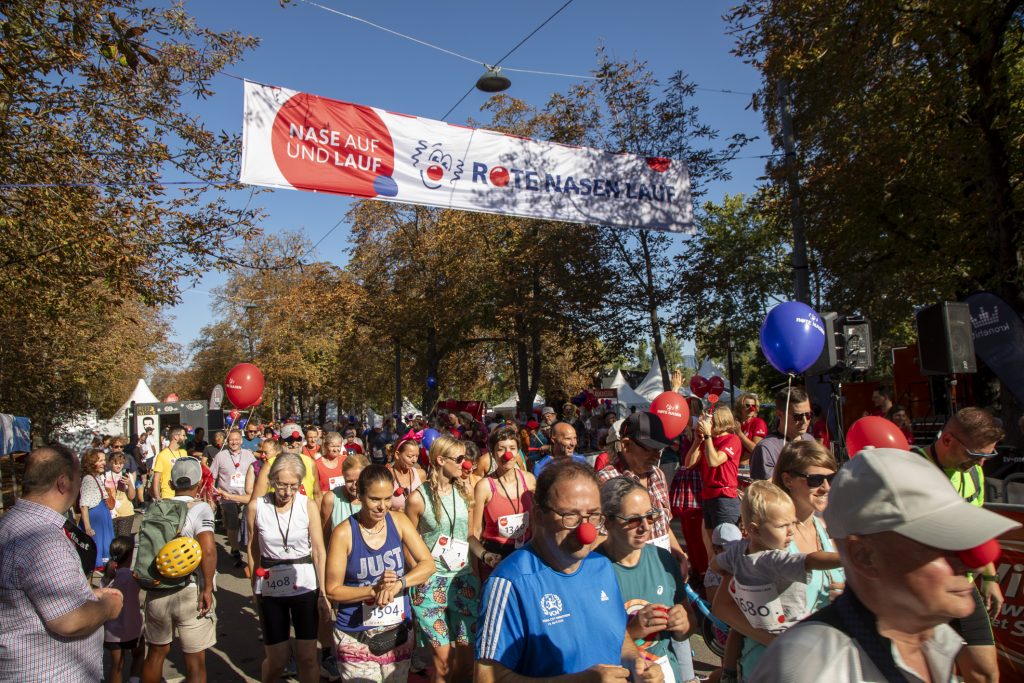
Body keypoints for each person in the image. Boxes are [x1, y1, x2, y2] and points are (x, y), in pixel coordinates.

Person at [748, 448, 1021, 682]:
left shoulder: (937, 641)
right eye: (938, 543)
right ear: (865, 557)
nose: (970, 559)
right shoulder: (810, 667)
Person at [475, 459, 663, 683]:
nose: (586, 530)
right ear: (538, 515)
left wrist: (636, 662)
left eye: (593, 515)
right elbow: (486, 678)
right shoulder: (510, 583)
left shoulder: (601, 566)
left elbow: (616, 634)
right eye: (570, 516)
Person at [0, 445, 124, 680]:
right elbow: (70, 620)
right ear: (63, 483)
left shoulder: (13, 522)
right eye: (77, 478)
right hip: (52, 674)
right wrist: (108, 606)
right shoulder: (43, 537)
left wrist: (91, 596)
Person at [712, 481, 842, 678]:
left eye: (792, 523)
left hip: (755, 640)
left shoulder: (738, 552)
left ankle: (729, 673)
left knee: (737, 632)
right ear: (754, 530)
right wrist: (846, 558)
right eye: (783, 526)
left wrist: (731, 575)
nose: (791, 531)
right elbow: (811, 560)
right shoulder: (774, 559)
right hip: (793, 637)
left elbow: (715, 565)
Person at [915, 407, 1005, 683]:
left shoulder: (974, 475)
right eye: (975, 455)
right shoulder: (910, 468)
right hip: (916, 589)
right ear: (947, 440)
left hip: (960, 585)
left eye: (987, 456)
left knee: (986, 673)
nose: (979, 465)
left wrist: (990, 576)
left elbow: (973, 530)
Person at [325, 464, 437, 683]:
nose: (382, 506)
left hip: (397, 634)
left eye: (387, 499)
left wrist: (398, 584)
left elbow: (427, 565)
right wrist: (373, 590)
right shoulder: (344, 533)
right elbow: (332, 590)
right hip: (356, 636)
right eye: (375, 499)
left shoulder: (399, 521)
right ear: (361, 494)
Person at [599, 477, 699, 683]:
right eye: (633, 520)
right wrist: (633, 631)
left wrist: (684, 624)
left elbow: (688, 624)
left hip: (667, 673)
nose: (645, 527)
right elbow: (586, 646)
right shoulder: (592, 571)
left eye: (650, 516)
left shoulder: (664, 560)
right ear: (608, 522)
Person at [246, 453, 330, 683]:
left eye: (294, 486)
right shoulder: (257, 507)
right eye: (282, 485)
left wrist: (322, 592)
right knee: (278, 660)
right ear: (272, 481)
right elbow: (253, 548)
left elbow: (319, 550)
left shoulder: (307, 505)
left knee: (308, 657)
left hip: (304, 585)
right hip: (271, 587)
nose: (287, 492)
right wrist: (255, 584)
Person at [405, 435, 481, 683]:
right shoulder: (418, 498)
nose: (465, 464)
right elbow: (407, 539)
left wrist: (484, 554)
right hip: (431, 584)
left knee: (468, 661)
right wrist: (418, 573)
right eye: (459, 459)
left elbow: (470, 534)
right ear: (440, 460)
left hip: (463, 579)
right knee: (443, 663)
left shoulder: (465, 491)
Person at [142, 457, 217, 683]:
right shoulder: (200, 508)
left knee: (156, 652)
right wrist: (208, 587)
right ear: (198, 483)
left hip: (157, 586)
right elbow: (209, 550)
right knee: (194, 658)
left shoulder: (155, 508)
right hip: (190, 588)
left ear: (172, 483)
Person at [600, 412, 689, 572]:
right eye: (651, 449)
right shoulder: (606, 481)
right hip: (629, 572)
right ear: (626, 445)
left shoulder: (658, 475)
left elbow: (663, 524)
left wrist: (678, 553)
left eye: (660, 450)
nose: (657, 456)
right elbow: (600, 536)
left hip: (663, 567)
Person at [469, 425, 537, 583]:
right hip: (495, 558)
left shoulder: (529, 480)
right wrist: (479, 563)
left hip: (525, 555)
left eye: (512, 448)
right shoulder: (484, 486)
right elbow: (474, 533)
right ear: (492, 453)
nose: (507, 454)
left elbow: (535, 523)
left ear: (518, 451)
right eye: (501, 449)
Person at [685, 404, 742, 563]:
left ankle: (731, 578)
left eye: (709, 420)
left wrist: (708, 437)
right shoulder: (707, 442)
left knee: (727, 544)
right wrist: (697, 441)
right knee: (713, 544)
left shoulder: (732, 439)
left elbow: (714, 461)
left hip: (725, 497)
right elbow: (688, 463)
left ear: (719, 421)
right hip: (709, 496)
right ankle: (715, 578)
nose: (704, 423)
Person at [210, 428, 257, 567]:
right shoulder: (220, 456)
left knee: (250, 525)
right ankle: (235, 549)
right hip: (227, 496)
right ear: (227, 441)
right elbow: (212, 476)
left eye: (237, 440)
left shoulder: (249, 455)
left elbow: (257, 472)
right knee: (232, 525)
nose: (234, 442)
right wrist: (212, 497)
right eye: (231, 440)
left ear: (241, 441)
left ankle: (251, 552)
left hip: (247, 496)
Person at [102, 536, 145, 683]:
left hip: (112, 630)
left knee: (117, 666)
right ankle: (134, 680)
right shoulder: (132, 576)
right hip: (133, 627)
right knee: (139, 655)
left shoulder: (108, 576)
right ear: (130, 554)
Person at [749, 387, 814, 481]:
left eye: (808, 415)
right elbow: (763, 490)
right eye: (797, 416)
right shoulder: (766, 448)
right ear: (780, 414)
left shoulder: (810, 440)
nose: (804, 421)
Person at [80, 447, 117, 568]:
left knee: (105, 549)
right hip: (95, 521)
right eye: (99, 460)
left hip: (103, 518)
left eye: (104, 460)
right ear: (91, 462)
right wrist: (88, 527)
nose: (104, 463)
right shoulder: (88, 479)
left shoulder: (96, 478)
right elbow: (84, 505)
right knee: (97, 550)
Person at [322, 454, 368, 534]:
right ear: (343, 477)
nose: (354, 486)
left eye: (358, 480)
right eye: (349, 481)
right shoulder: (330, 498)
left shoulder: (375, 496)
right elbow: (326, 534)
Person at [102, 450, 138, 538]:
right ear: (110, 463)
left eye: (121, 463)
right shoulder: (104, 476)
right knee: (112, 541)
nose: (119, 466)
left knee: (123, 542)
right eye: (116, 463)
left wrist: (129, 484)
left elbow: (132, 496)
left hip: (126, 513)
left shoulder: (127, 476)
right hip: (110, 513)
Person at [150, 425, 188, 501]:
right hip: (168, 496)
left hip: (183, 494)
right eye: (183, 435)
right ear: (176, 437)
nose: (186, 438)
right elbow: (156, 479)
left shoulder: (184, 453)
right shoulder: (162, 455)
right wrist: (157, 497)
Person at [389, 436, 425, 513]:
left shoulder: (421, 474)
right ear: (397, 455)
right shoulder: (386, 476)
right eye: (410, 456)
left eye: (417, 456)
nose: (414, 460)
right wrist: (393, 511)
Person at [735, 393, 766, 462]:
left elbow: (756, 449)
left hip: (748, 468)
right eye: (747, 405)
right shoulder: (736, 423)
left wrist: (739, 433)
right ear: (740, 407)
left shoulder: (758, 422)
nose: (751, 408)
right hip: (735, 464)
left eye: (753, 406)